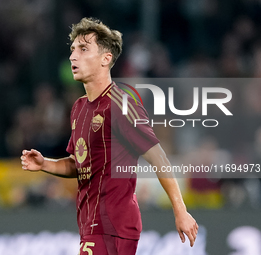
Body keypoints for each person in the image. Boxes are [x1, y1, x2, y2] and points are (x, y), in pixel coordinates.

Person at [21, 17, 198, 255]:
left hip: (113, 225)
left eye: (83, 49)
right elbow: (79, 164)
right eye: (73, 50)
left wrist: (180, 210)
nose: (73, 56)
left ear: (106, 59)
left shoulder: (120, 104)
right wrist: (45, 164)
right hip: (91, 226)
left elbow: (159, 158)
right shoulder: (79, 108)